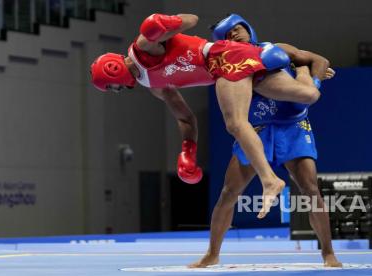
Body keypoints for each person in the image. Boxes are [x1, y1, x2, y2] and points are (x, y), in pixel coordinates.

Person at [90, 13, 322, 218]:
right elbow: (185, 119)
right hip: (228, 65)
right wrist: (188, 151)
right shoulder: (154, 86)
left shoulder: (143, 47)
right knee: (309, 95)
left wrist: (168, 23)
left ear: (111, 72)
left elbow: (193, 19)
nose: (116, 90)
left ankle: (270, 180)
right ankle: (301, 68)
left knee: (236, 124)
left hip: (222, 58)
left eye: (111, 87)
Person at [188, 14, 342, 268]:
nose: (235, 34)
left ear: (248, 28)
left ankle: (328, 253)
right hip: (257, 132)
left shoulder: (277, 50)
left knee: (310, 189)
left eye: (238, 29)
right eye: (229, 34)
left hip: (292, 127)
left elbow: (320, 60)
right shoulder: (226, 66)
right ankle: (212, 253)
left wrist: (311, 76)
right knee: (228, 192)